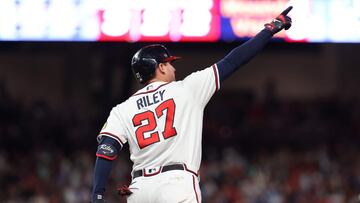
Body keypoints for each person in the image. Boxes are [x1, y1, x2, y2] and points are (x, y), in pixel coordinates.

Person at [91, 6, 293, 203]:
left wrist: (97, 196)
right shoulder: (188, 88)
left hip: (139, 189)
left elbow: (106, 151)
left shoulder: (122, 109)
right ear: (160, 67)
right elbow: (234, 61)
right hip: (177, 183)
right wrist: (270, 29)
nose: (173, 68)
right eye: (169, 63)